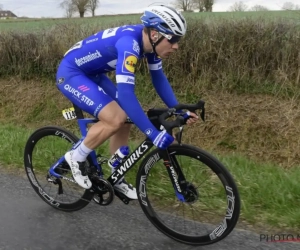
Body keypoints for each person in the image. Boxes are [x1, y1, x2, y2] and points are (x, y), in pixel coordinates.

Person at [55, 5, 198, 200]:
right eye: (173, 39)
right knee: (115, 118)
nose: (176, 46)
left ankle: (116, 173)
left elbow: (158, 78)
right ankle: (76, 157)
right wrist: (153, 134)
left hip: (94, 74)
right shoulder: (129, 45)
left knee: (127, 118)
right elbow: (126, 95)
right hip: (72, 74)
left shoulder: (150, 46)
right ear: (155, 34)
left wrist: (178, 110)